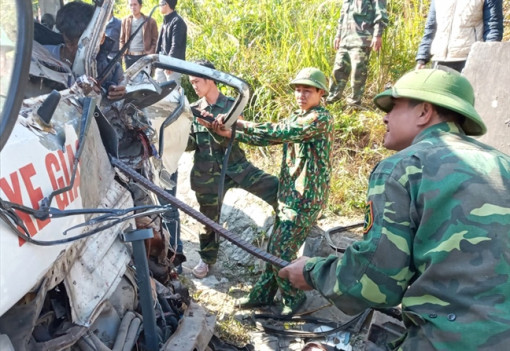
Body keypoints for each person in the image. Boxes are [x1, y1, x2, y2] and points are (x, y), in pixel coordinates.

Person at [279, 69, 510, 349]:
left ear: (424, 112)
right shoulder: (503, 164)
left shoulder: (404, 166)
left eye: (394, 107)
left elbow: (377, 282)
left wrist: (312, 273)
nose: (385, 117)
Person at [212, 68, 333, 315]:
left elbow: (278, 133)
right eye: (298, 90)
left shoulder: (320, 119)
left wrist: (235, 127)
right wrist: (233, 127)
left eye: (307, 90)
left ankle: (294, 298)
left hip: (304, 199)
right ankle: (263, 295)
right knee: (276, 247)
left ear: (321, 93)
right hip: (289, 196)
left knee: (280, 250)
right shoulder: (298, 116)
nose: (300, 94)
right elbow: (269, 133)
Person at [187, 60, 279, 279]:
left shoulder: (231, 104)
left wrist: (223, 129)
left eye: (198, 81)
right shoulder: (192, 110)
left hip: (236, 167)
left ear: (210, 79)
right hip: (207, 173)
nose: (195, 86)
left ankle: (291, 225)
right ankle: (207, 259)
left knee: (275, 188)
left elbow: (243, 135)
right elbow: (191, 144)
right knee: (208, 221)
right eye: (191, 83)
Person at [44, 2, 125, 100]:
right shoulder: (41, 56)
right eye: (69, 43)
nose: (75, 51)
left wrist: (119, 94)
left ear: (101, 38)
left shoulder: (113, 71)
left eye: (85, 45)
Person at [326, 0, 388, 106]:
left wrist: (378, 35)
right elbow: (342, 16)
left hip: (362, 40)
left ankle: (354, 104)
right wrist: (338, 35)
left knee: (358, 73)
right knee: (338, 71)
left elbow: (381, 13)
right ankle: (332, 101)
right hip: (345, 40)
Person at [415, 0, 503, 72]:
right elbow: (431, 28)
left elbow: (493, 28)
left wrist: (488, 58)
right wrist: (422, 59)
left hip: (470, 60)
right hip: (439, 60)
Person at [155, 0, 187, 85]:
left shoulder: (177, 22)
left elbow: (176, 45)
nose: (159, 5)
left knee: (173, 92)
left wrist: (170, 63)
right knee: (158, 92)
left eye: (160, 3)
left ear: (166, 4)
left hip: (172, 65)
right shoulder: (165, 21)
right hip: (161, 62)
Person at [119, 0, 158, 69]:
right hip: (129, 57)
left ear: (140, 6)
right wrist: (123, 54)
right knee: (129, 79)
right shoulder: (125, 21)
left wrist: (150, 54)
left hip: (144, 56)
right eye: (131, 5)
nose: (133, 7)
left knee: (144, 79)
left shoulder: (150, 21)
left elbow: (155, 40)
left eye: (135, 4)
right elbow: (122, 39)